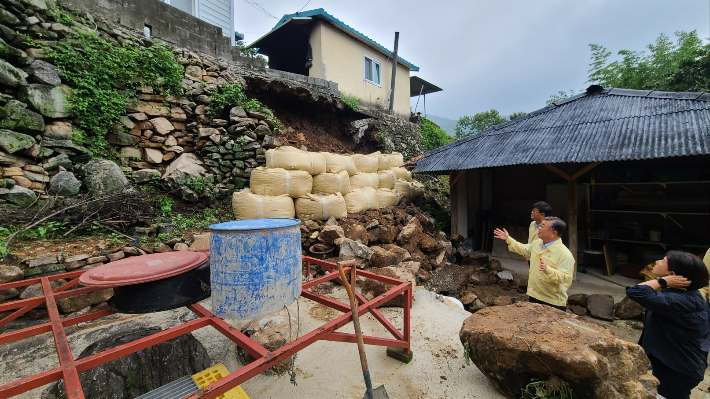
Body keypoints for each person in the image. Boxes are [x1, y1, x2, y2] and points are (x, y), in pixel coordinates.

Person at [626, 251, 710, 399]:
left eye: (662, 261)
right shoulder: (685, 294)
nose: (657, 261)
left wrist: (661, 281)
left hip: (679, 369)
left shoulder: (680, 301)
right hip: (676, 363)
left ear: (672, 273)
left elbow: (635, 291)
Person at [493, 216, 574, 311]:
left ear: (553, 233)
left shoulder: (565, 254)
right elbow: (524, 250)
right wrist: (508, 239)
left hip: (552, 301)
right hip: (534, 294)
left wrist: (548, 269)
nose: (539, 228)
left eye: (542, 226)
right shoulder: (538, 243)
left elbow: (566, 278)